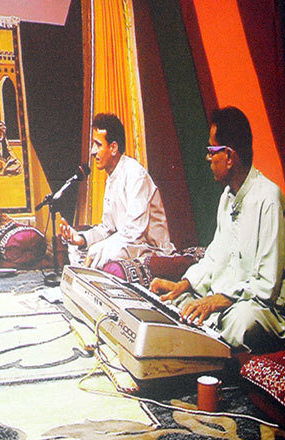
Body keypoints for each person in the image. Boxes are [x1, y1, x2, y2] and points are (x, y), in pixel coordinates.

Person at [150, 107, 285, 350]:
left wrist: (215, 302)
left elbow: (266, 286)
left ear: (230, 157)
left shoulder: (269, 198)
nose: (208, 158)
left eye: (211, 151)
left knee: (241, 321)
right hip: (225, 301)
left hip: (259, 307)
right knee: (178, 302)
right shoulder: (227, 198)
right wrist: (185, 284)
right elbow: (213, 258)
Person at [58, 113, 175, 268]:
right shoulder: (112, 177)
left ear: (113, 148)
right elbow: (107, 229)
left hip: (149, 249)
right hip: (127, 244)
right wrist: (81, 239)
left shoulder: (135, 174)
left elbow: (135, 232)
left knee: (105, 253)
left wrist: (100, 248)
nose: (93, 151)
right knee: (76, 248)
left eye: (98, 145)